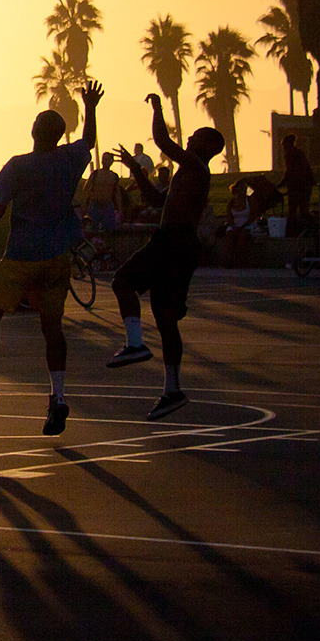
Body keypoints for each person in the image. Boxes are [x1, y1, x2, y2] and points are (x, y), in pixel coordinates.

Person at [0, 80, 103, 436]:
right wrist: (92, 107)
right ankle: (57, 396)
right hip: (58, 256)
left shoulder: (18, 166)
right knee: (51, 328)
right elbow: (89, 142)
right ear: (59, 134)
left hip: (22, 254)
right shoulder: (70, 159)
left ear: (33, 131)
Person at [106, 96, 227, 420]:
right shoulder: (189, 174)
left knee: (122, 282)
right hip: (182, 245)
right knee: (166, 318)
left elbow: (161, 140)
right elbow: (157, 200)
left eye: (195, 137)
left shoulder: (196, 167)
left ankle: (135, 344)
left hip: (174, 241)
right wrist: (137, 172)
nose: (188, 139)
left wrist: (158, 109)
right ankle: (172, 390)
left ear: (207, 146)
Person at [279, 133, 316, 233]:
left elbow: (289, 171)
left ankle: (293, 231)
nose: (283, 148)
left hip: (299, 187)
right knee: (302, 211)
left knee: (294, 211)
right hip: (303, 186)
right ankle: (314, 226)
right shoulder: (299, 153)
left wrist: (282, 183)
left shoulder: (290, 155)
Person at [83, 152, 123, 234]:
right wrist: (92, 197)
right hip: (95, 205)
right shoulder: (96, 173)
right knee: (93, 230)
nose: (105, 161)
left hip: (108, 205)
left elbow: (117, 194)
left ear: (112, 161)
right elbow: (86, 188)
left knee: (109, 230)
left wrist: (120, 209)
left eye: (107, 159)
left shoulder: (114, 176)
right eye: (104, 159)